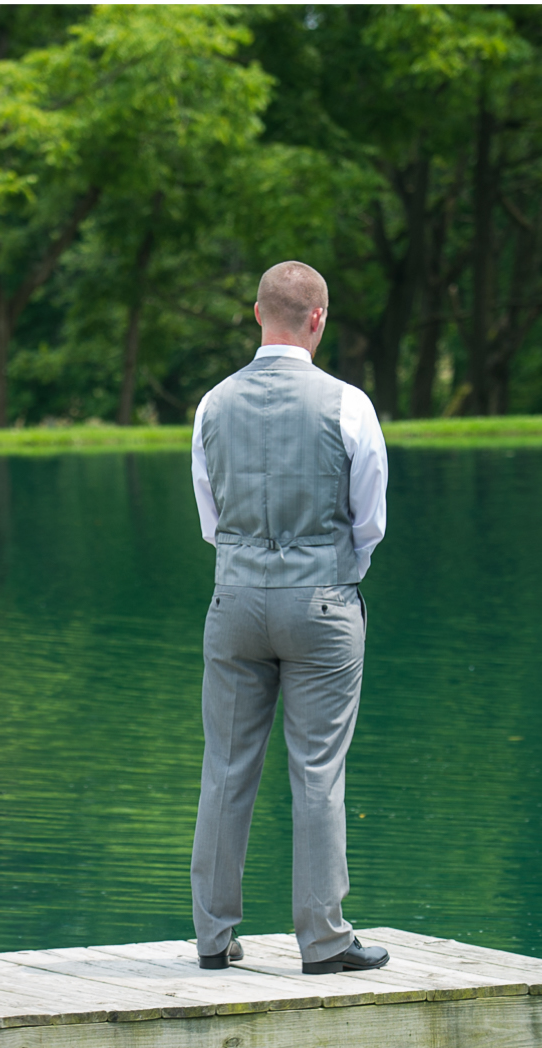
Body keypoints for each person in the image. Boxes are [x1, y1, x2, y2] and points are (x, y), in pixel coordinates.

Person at [187, 259, 390, 975]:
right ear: (318, 319)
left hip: (235, 600)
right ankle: (324, 942)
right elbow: (370, 522)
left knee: (226, 768)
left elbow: (212, 519)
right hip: (323, 601)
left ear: (256, 314)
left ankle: (213, 938)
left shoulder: (212, 404)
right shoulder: (349, 404)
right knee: (316, 773)